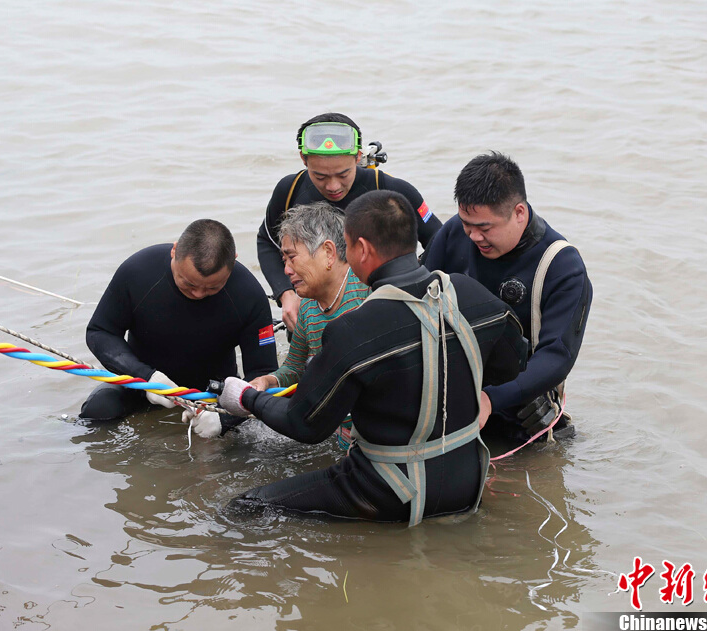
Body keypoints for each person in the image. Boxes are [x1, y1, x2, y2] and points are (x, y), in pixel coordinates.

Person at [218, 190, 527, 525]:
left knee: (248, 505)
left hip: (392, 492)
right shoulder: (471, 294)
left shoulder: (354, 327)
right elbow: (513, 365)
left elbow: (303, 424)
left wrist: (247, 397)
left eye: (348, 247)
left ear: (361, 250)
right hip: (467, 482)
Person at [424, 152, 592, 444]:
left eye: (485, 228)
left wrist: (490, 399)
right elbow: (417, 297)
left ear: (519, 213)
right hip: (452, 396)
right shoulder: (455, 232)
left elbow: (557, 356)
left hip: (520, 413)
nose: (474, 237)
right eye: (468, 224)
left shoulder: (562, 266)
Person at [81, 219, 278, 437]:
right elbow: (100, 332)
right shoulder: (138, 271)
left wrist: (224, 419)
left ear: (233, 262)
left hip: (212, 393)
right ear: (174, 251)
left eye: (213, 287)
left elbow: (263, 375)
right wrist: (146, 377)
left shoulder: (249, 295)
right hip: (142, 384)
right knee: (98, 410)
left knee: (251, 434)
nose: (198, 294)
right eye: (189, 284)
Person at [257, 112, 443, 333]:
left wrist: (414, 291)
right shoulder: (289, 190)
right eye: (320, 177)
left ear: (357, 157)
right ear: (303, 159)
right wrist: (286, 293)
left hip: (384, 315)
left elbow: (440, 241)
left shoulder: (394, 191)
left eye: (343, 174)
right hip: (313, 318)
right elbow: (267, 241)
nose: (333, 186)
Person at [248, 201, 370, 449]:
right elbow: (294, 370)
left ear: (328, 252)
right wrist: (267, 382)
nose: (286, 270)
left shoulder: (368, 288)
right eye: (283, 260)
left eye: (291, 258)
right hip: (344, 438)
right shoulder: (307, 310)